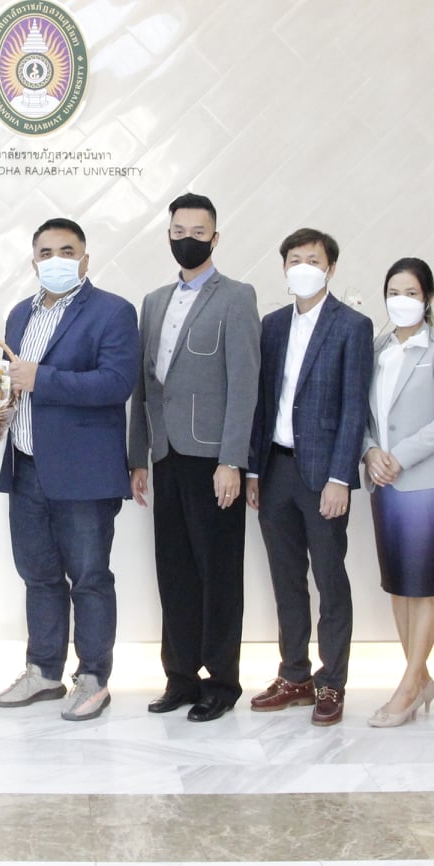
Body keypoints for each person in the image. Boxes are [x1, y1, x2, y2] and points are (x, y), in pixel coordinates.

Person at [0, 217, 139, 722]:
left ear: (85, 258)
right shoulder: (19, 314)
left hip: (84, 473)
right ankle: (44, 671)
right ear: (33, 261)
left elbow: (116, 383)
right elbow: (15, 384)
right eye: (46, 252)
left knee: (90, 578)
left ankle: (93, 678)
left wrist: (42, 378)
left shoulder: (113, 311)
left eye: (67, 251)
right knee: (38, 576)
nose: (56, 260)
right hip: (26, 467)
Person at [129, 192, 262, 723]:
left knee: (219, 573)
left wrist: (233, 460)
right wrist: (138, 456)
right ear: (169, 235)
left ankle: (222, 682)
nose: (188, 239)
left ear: (215, 237)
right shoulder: (154, 300)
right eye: (179, 231)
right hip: (165, 453)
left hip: (213, 459)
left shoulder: (237, 297)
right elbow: (144, 385)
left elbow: (245, 385)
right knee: (175, 572)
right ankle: (180, 677)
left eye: (199, 232)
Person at [243, 228, 374, 728]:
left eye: (313, 260)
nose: (303, 267)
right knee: (286, 580)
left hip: (323, 475)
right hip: (275, 468)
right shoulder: (272, 324)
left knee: (330, 580)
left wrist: (341, 476)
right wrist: (254, 468)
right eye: (294, 259)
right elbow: (262, 401)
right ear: (284, 268)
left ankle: (332, 681)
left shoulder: (352, 325)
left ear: (330, 268)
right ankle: (294, 674)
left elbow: (354, 406)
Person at [363, 258, 434, 727]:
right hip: (382, 481)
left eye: (410, 292)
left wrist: (400, 456)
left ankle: (408, 687)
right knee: (398, 584)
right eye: (393, 292)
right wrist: (370, 451)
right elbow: (362, 414)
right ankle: (419, 677)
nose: (400, 300)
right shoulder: (377, 348)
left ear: (427, 298)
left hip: (425, 480)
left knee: (422, 585)